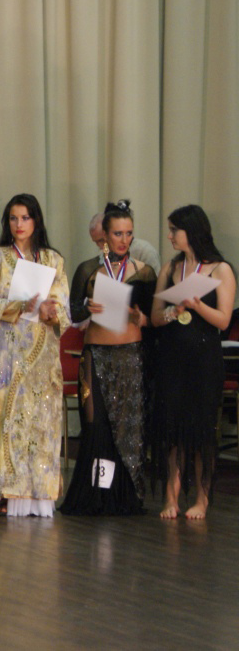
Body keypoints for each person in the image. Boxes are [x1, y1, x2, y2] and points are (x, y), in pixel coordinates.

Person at [0, 193, 69, 518]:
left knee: (38, 422)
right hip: (3, 353)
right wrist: (19, 305)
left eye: (25, 218)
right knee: (0, 418)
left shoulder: (53, 260)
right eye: (13, 218)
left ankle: (35, 494)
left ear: (36, 220)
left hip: (40, 355)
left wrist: (50, 310)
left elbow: (64, 308)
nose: (19, 224)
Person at [60, 201, 156, 516]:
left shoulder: (144, 272)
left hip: (130, 355)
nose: (124, 240)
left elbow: (153, 319)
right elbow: (71, 312)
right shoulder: (88, 269)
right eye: (117, 233)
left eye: (129, 233)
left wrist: (140, 317)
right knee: (96, 425)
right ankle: (96, 494)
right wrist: (88, 307)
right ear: (105, 235)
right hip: (96, 353)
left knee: (128, 427)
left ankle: (124, 497)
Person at [151, 204, 235, 520]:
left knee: (201, 430)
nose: (170, 236)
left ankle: (202, 498)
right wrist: (173, 311)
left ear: (193, 231)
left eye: (175, 230)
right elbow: (155, 317)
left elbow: (224, 320)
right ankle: (171, 498)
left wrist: (197, 306)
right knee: (171, 428)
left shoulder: (220, 269)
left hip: (204, 358)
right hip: (172, 356)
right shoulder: (170, 268)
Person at [89, 212, 160, 273]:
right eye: (96, 242)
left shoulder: (145, 251)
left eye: (102, 240)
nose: (100, 246)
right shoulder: (101, 255)